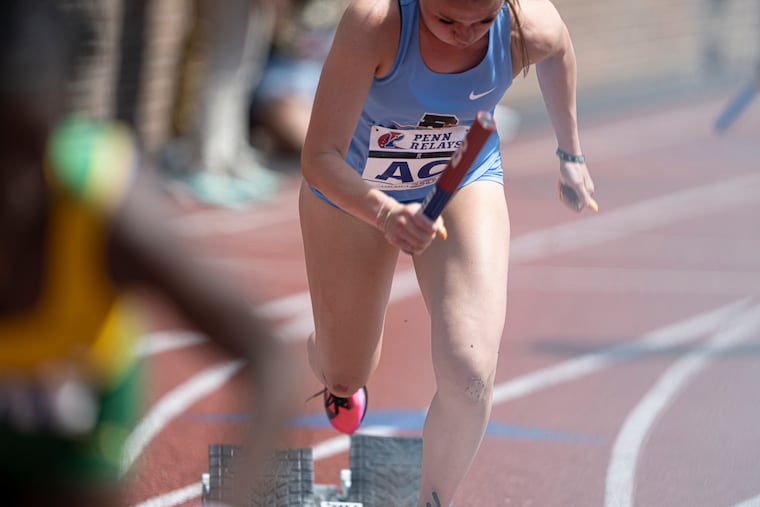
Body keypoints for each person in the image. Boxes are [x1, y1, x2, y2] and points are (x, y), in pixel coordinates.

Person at [298, 0, 597, 505]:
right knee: (346, 372)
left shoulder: (528, 24)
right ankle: (332, 358)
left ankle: (432, 501)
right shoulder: (376, 22)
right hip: (355, 189)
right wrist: (386, 213)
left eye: (482, 22)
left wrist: (570, 154)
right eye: (447, 22)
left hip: (461, 178)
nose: (465, 35)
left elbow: (560, 50)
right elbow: (318, 158)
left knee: (470, 373)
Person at [0, 1, 295, 506]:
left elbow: (270, 359)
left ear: (56, 120)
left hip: (70, 438)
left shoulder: (108, 211)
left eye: (21, 150)